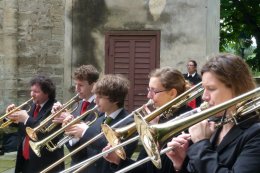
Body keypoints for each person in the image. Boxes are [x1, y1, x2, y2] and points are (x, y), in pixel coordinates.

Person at [166, 53, 260, 173]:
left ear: (236, 88)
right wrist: (182, 163)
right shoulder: (217, 124)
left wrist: (200, 144)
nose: (204, 97)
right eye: (204, 88)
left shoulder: (256, 133)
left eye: (211, 89)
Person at [103, 67, 192, 173]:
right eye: (148, 90)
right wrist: (118, 160)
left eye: (154, 91)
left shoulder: (189, 122)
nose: (148, 95)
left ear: (172, 93)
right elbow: (144, 169)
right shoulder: (160, 119)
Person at [68, 74, 137, 173]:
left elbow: (119, 154)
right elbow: (80, 157)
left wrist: (85, 133)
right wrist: (73, 136)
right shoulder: (98, 120)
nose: (95, 100)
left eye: (100, 97)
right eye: (95, 95)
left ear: (115, 99)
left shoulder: (129, 123)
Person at [6, 75, 64, 173]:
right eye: (31, 91)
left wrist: (26, 119)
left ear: (47, 93)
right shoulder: (32, 105)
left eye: (36, 92)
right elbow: (21, 125)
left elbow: (45, 131)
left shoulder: (55, 108)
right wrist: (9, 116)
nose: (32, 94)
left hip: (44, 163)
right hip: (26, 160)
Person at [52, 64, 100, 165]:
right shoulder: (77, 105)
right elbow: (70, 141)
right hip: (76, 161)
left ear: (94, 85)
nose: (77, 89)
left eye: (81, 85)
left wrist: (73, 121)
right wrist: (59, 118)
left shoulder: (100, 107)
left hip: (92, 164)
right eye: (76, 84)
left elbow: (95, 136)